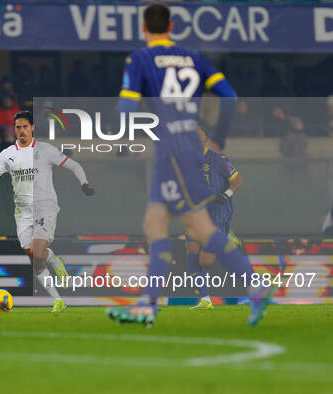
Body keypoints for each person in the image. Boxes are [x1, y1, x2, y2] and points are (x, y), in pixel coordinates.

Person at [106, 3, 273, 327]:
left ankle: (256, 286)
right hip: (184, 150)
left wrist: (131, 140)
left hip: (171, 152)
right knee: (155, 224)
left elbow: (126, 108)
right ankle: (148, 306)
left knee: (200, 229)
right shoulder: (194, 58)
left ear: (144, 28)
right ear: (171, 25)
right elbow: (230, 99)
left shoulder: (139, 59)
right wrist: (219, 141)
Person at [0, 111, 95, 312]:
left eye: (25, 126)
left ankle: (55, 261)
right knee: (34, 259)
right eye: (17, 127)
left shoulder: (45, 150)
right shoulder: (8, 154)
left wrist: (84, 183)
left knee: (39, 251)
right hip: (22, 211)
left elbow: (73, 165)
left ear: (32, 127)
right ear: (14, 130)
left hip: (45, 205)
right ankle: (58, 301)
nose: (21, 131)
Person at [186, 128, 243, 310]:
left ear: (205, 138)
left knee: (205, 262)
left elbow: (238, 181)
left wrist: (226, 195)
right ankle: (205, 300)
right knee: (191, 252)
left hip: (218, 214)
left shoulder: (218, 159)